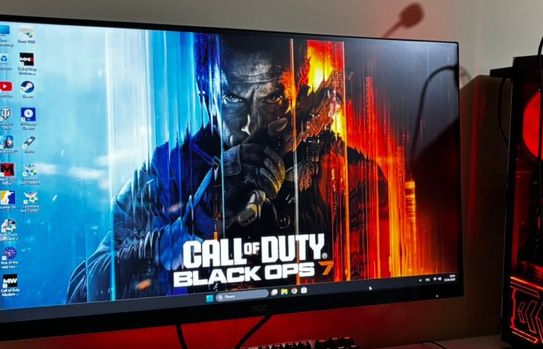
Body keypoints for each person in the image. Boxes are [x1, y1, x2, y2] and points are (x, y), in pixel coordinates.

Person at [68, 34, 388, 303]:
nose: (252, 124)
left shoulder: (348, 176)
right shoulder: (168, 174)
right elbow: (84, 295)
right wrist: (193, 224)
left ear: (300, 84)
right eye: (234, 98)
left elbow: (372, 301)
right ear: (204, 90)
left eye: (273, 99)